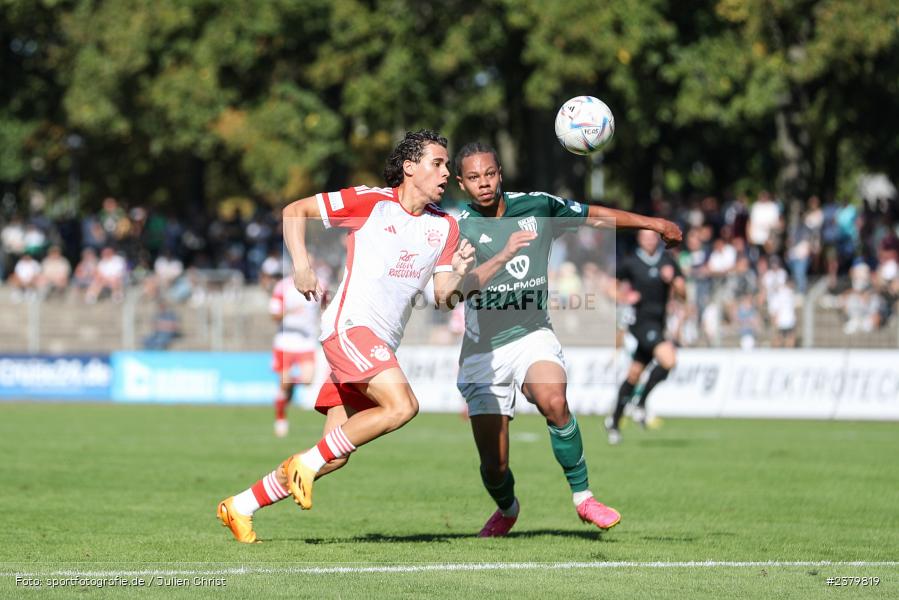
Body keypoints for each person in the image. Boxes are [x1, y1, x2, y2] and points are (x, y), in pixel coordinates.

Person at [217, 130, 475, 543]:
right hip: (349, 327)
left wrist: (464, 274)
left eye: (447, 165)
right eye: (438, 163)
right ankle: (304, 465)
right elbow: (294, 210)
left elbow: (445, 299)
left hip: (379, 343)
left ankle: (240, 505)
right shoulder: (372, 202)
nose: (447, 172)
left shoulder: (444, 228)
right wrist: (300, 264)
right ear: (409, 167)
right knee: (402, 405)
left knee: (333, 455)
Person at [452, 142, 681, 536]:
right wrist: (503, 255)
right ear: (461, 183)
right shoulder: (459, 228)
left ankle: (584, 498)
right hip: (484, 351)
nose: (484, 183)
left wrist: (651, 223)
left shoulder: (537, 206)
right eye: (473, 178)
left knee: (554, 401)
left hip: (531, 334)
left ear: (500, 173)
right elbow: (457, 292)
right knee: (495, 465)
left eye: (489, 174)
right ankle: (507, 508)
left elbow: (595, 216)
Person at [606, 229, 687, 444]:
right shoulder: (631, 262)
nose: (650, 240)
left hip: (659, 324)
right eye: (646, 237)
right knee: (669, 360)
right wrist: (625, 297)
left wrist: (675, 284)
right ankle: (640, 404)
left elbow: (683, 294)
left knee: (634, 375)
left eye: (653, 237)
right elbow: (609, 288)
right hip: (640, 323)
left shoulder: (667, 261)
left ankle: (614, 422)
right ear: (640, 239)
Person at [269, 268, 321, 437]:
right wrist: (291, 311)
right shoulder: (282, 287)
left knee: (307, 380)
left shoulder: (319, 285)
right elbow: (274, 315)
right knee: (285, 383)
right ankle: (281, 418)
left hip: (306, 342)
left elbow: (323, 308)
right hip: (286, 342)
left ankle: (288, 389)